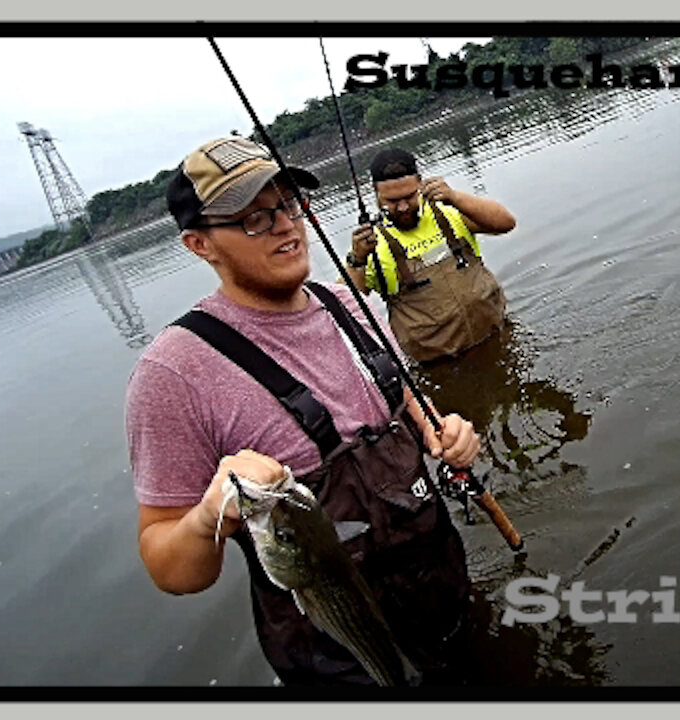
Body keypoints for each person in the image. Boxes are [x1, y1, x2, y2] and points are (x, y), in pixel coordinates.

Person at [126, 136, 480, 686]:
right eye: (254, 219)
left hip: (444, 599)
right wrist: (205, 518)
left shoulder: (351, 303)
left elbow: (407, 403)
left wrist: (445, 432)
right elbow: (168, 567)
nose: (287, 226)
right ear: (199, 244)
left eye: (288, 205)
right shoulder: (173, 374)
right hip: (340, 661)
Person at [344, 147, 516, 363]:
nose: (403, 207)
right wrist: (357, 259)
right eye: (392, 200)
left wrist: (454, 196)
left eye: (409, 196)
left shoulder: (449, 211)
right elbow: (342, 307)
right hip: (440, 368)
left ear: (420, 183)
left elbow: (506, 223)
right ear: (376, 195)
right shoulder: (370, 245)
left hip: (498, 339)